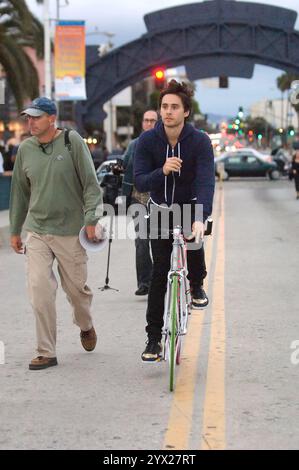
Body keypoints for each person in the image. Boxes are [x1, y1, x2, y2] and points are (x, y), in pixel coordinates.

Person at [9, 97, 103, 370]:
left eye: (36, 117)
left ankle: (86, 325)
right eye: (28, 117)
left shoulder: (72, 142)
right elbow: (19, 193)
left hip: (70, 231)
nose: (30, 122)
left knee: (76, 293)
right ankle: (46, 351)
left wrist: (91, 219)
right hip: (37, 231)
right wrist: (15, 229)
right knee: (39, 289)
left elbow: (91, 186)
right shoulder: (25, 149)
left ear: (52, 119)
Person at [134, 80, 215, 362]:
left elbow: (205, 182)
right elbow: (141, 181)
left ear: (186, 112)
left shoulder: (200, 142)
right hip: (159, 209)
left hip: (189, 206)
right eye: (164, 106)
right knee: (159, 274)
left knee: (195, 240)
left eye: (174, 107)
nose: (168, 112)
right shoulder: (147, 141)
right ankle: (154, 339)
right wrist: (163, 171)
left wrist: (201, 218)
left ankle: (196, 285)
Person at [122, 110, 158, 295]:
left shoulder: (163, 143)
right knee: (142, 241)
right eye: (146, 120)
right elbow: (124, 163)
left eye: (153, 120)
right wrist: (119, 166)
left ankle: (159, 280)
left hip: (159, 201)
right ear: (142, 123)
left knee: (159, 241)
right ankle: (144, 282)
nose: (149, 123)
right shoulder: (134, 145)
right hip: (138, 198)